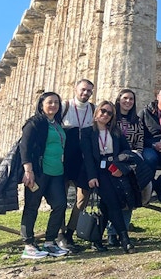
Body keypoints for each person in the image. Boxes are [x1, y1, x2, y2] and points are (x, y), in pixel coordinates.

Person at [19, 92, 69, 259]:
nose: (53, 105)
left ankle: (49, 242)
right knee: (32, 206)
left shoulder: (57, 124)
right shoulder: (34, 123)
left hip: (56, 172)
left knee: (60, 204)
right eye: (50, 102)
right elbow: (24, 147)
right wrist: (28, 170)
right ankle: (28, 245)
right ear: (41, 105)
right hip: (39, 172)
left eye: (56, 102)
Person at [81, 100, 136, 253]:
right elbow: (87, 156)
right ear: (96, 112)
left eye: (109, 113)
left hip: (114, 169)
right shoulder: (87, 132)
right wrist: (92, 176)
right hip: (98, 172)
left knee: (107, 205)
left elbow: (126, 151)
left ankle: (96, 239)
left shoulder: (116, 131)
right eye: (103, 111)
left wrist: (120, 167)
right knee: (113, 202)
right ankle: (125, 239)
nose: (105, 115)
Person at [59, 79, 96, 252]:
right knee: (61, 199)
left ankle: (70, 233)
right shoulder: (64, 107)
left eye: (89, 91)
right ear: (75, 89)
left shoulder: (94, 109)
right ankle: (60, 234)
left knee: (82, 199)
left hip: (84, 162)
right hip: (65, 160)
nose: (86, 93)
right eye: (83, 89)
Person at [106, 89, 146, 246]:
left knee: (129, 196)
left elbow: (140, 142)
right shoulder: (111, 118)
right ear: (119, 100)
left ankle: (121, 231)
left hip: (129, 162)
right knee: (114, 197)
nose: (128, 101)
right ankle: (111, 232)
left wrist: (135, 157)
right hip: (112, 161)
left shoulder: (137, 120)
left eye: (131, 99)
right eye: (125, 98)